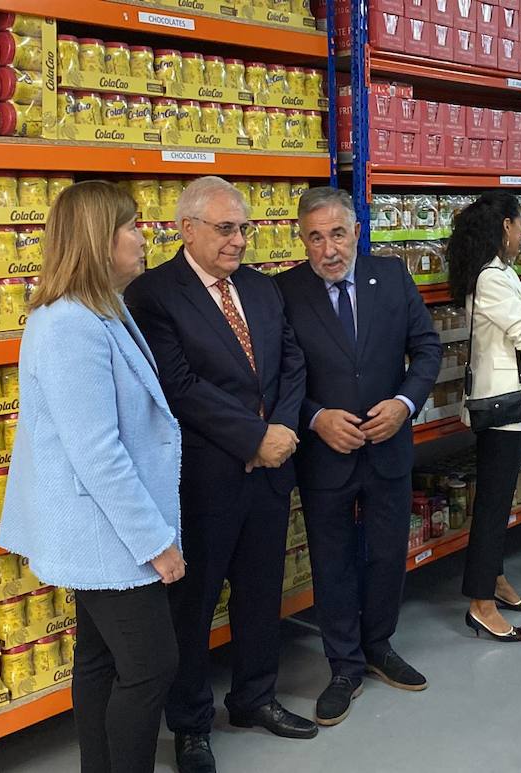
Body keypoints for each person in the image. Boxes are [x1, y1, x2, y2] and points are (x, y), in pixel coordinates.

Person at [123, 176, 312, 773]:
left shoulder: (260, 288)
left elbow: (289, 362)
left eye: (244, 228)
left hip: (270, 472)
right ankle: (190, 726)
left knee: (261, 593)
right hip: (204, 479)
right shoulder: (153, 294)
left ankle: (255, 698)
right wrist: (253, 437)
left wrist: (278, 434)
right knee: (194, 605)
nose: (238, 241)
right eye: (226, 228)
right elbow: (178, 387)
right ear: (187, 228)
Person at [0, 181, 185, 773]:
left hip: (106, 528)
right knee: (152, 665)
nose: (141, 236)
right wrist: (156, 543)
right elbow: (96, 452)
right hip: (107, 532)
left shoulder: (103, 309)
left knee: (101, 660)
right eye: (130, 226)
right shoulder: (68, 326)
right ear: (97, 241)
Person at [277, 187, 442, 726]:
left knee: (387, 552)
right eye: (316, 237)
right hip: (326, 456)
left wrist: (403, 403)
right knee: (333, 561)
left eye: (338, 233)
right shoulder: (284, 292)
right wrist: (315, 416)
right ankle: (344, 664)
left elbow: (427, 349)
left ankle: (379, 645)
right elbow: (274, 378)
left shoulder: (391, 277)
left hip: (388, 447)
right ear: (301, 240)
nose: (329, 249)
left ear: (356, 231)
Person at [449, 191, 521, 642]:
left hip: (512, 402)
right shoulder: (491, 278)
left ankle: (496, 580)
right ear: (505, 226)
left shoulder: (499, 272)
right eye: (520, 223)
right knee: (492, 503)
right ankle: (480, 602)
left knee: (501, 498)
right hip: (502, 406)